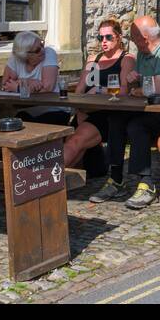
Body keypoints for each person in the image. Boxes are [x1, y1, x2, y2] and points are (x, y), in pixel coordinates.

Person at [113, 16, 160, 210]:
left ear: (145, 37)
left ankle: (146, 184)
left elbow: (156, 89)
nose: (132, 39)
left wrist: (139, 86)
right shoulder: (142, 52)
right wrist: (133, 79)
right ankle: (115, 179)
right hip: (147, 108)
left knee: (137, 126)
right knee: (115, 119)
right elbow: (140, 84)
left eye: (134, 35)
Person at [63, 19, 135, 199]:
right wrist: (79, 110)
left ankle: (43, 181)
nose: (104, 41)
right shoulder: (92, 59)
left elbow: (124, 91)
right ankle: (64, 182)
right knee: (67, 139)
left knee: (75, 142)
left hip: (108, 114)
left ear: (118, 37)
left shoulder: (126, 59)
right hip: (85, 111)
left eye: (109, 37)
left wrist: (101, 91)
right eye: (100, 37)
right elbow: (80, 89)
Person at [1, 30, 72, 126]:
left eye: (42, 44)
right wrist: (28, 82)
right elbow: (6, 84)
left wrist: (18, 87)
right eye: (37, 50)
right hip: (26, 110)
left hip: (53, 109)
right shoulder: (15, 58)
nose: (42, 50)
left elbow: (48, 87)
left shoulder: (49, 53)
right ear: (25, 55)